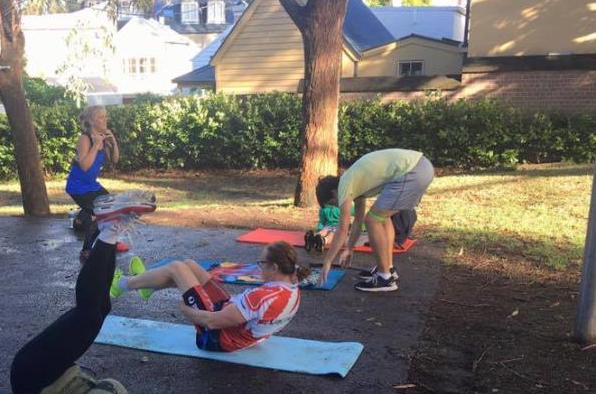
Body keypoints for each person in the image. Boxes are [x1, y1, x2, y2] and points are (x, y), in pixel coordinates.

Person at [0, 191, 201, 394]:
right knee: (102, 308)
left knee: (89, 317)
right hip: (56, 374)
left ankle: (109, 230)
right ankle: (112, 230)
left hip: (32, 381)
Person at [111, 241, 306, 352]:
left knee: (176, 268)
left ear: (274, 268)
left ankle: (122, 285)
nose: (258, 267)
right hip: (231, 318)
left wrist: (186, 310)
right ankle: (147, 286)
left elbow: (212, 322)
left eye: (261, 263)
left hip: (216, 337)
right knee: (189, 265)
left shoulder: (262, 297)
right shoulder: (292, 287)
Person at [316, 148, 434, 293]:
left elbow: (342, 228)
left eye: (333, 203)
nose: (336, 207)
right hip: (420, 167)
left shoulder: (344, 186)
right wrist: (349, 248)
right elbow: (358, 220)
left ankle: (384, 278)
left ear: (334, 192)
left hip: (413, 171)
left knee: (372, 220)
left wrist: (327, 261)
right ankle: (388, 268)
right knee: (382, 218)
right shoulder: (354, 183)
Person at [66, 105, 120, 261]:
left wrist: (113, 142)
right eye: (101, 117)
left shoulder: (103, 137)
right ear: (91, 121)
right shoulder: (85, 139)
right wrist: (95, 145)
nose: (105, 119)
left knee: (113, 208)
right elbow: (84, 165)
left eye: (105, 116)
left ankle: (80, 219)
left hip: (92, 185)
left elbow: (114, 160)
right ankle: (86, 250)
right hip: (78, 187)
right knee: (100, 215)